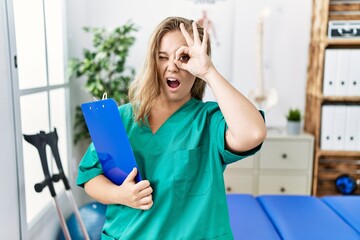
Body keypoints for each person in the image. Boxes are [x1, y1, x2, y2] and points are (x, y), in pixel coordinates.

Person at [77, 16, 266, 239]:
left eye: (184, 57)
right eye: (162, 57)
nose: (172, 66)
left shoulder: (209, 120)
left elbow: (253, 133)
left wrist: (208, 71)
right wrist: (120, 194)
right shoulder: (121, 118)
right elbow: (90, 177)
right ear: (152, 62)